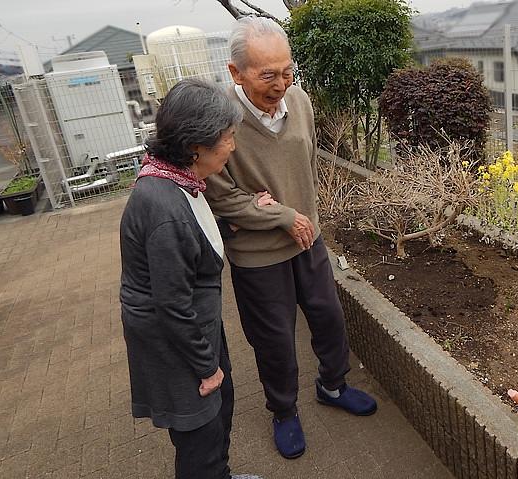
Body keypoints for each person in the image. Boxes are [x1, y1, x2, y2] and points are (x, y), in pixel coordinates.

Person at [204, 17, 377, 460]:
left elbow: (308, 166)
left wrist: (297, 215)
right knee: (275, 340)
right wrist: (281, 215)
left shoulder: (299, 101)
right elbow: (221, 195)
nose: (281, 83)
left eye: (287, 70)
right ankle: (283, 412)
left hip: (308, 240)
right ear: (235, 73)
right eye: (267, 75)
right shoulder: (218, 118)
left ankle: (333, 387)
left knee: (330, 319)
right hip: (258, 255)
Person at [119, 79, 267, 479]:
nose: (233, 147)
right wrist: (206, 367)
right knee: (199, 437)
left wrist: (244, 211)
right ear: (194, 147)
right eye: (228, 138)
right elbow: (172, 304)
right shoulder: (164, 208)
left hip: (195, 331)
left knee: (221, 415)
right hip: (178, 344)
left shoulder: (176, 181)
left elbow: (194, 236)